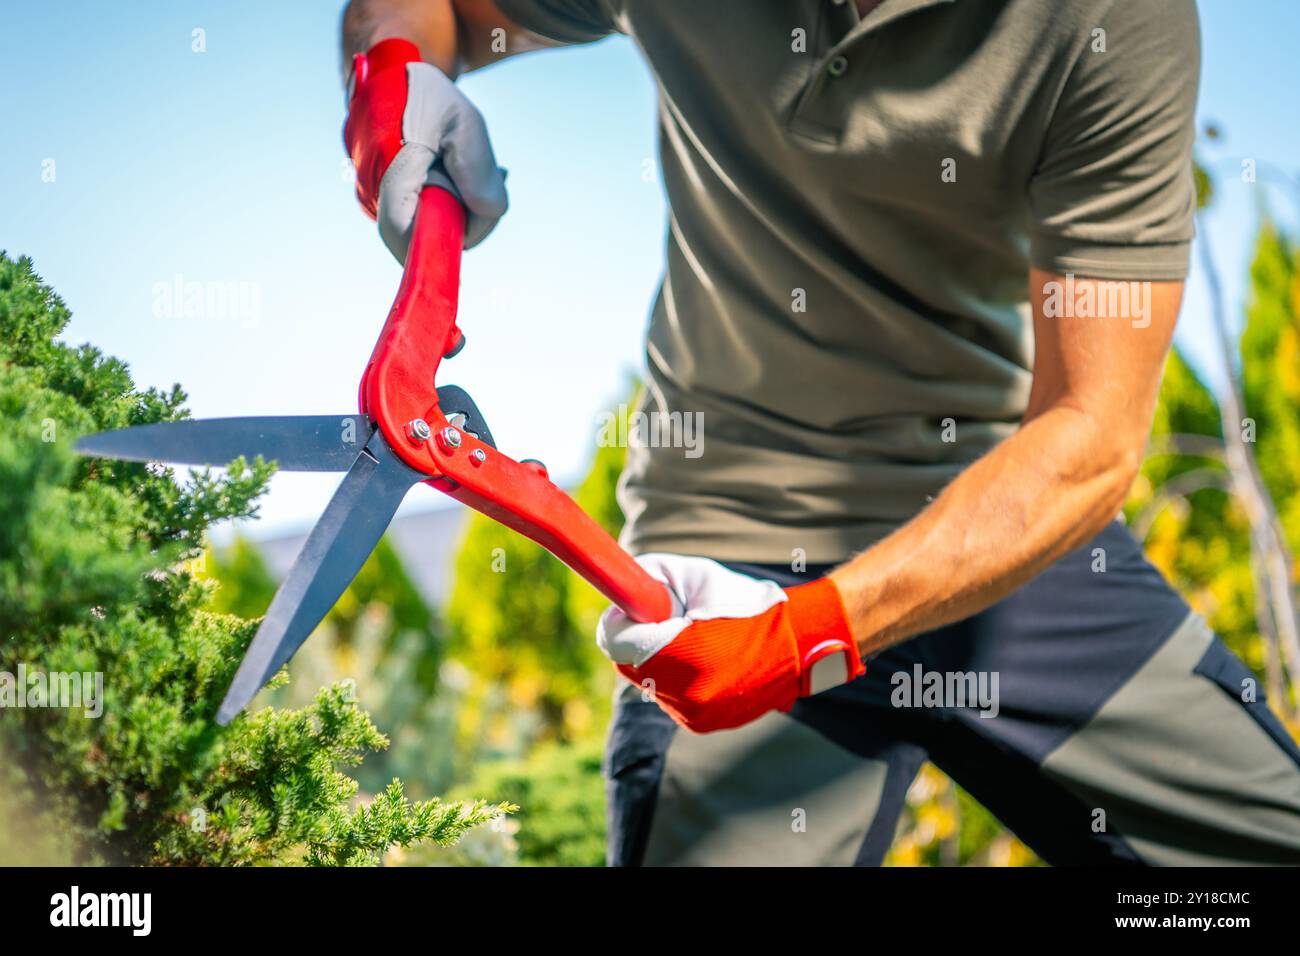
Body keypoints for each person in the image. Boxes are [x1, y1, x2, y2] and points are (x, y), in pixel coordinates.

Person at [341, 0, 1300, 865]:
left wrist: (810, 637)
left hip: (1007, 540)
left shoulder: (1112, 21)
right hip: (721, 567)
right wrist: (390, 69)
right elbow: (443, 11)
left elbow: (1091, 434)